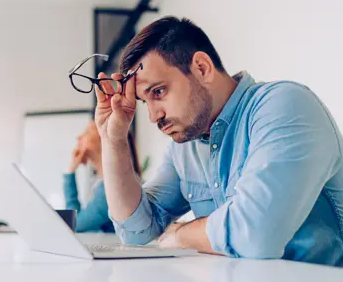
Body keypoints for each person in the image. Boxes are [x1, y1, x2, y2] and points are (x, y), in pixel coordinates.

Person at [93, 16, 343, 266]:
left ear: (202, 68)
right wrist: (112, 139)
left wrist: (180, 234)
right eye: (145, 102)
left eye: (158, 92)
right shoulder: (185, 147)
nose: (152, 115)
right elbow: (136, 231)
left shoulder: (284, 105)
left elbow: (255, 235)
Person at [63, 120, 141, 233]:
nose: (79, 137)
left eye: (87, 132)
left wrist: (70, 172)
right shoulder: (103, 183)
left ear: (106, 139)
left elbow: (74, 224)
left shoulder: (114, 188)